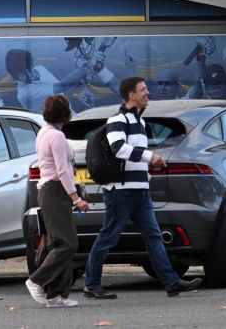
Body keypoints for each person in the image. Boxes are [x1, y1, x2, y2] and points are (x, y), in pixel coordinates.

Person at [83, 76, 204, 299]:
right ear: (132, 95)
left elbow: (132, 156)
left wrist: (147, 172)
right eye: (143, 90)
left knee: (154, 236)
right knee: (109, 236)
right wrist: (151, 157)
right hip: (121, 191)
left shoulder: (141, 123)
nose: (147, 93)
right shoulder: (117, 120)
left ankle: (171, 283)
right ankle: (91, 284)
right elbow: (118, 148)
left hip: (140, 191)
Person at [25, 94, 88, 308]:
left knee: (58, 243)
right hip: (56, 191)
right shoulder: (57, 137)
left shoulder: (44, 132)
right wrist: (77, 199)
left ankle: (56, 295)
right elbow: (62, 171)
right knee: (68, 243)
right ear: (65, 113)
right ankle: (36, 281)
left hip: (48, 190)